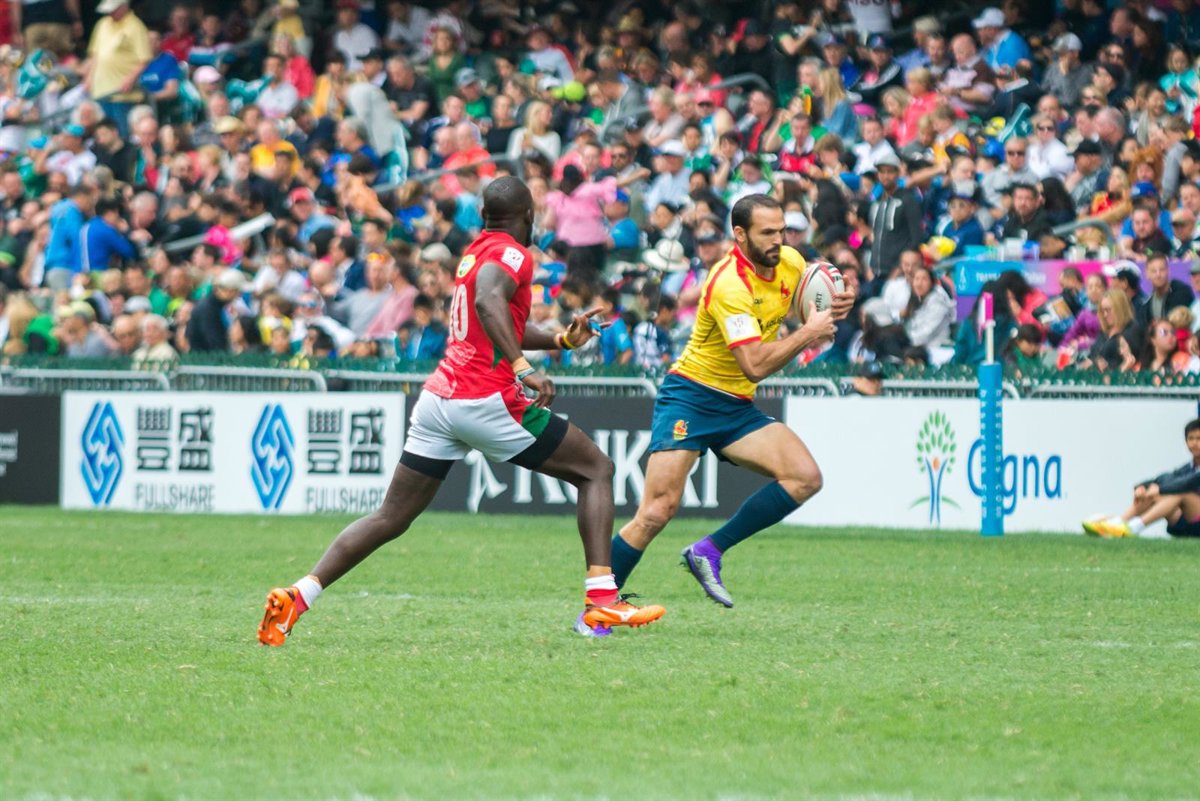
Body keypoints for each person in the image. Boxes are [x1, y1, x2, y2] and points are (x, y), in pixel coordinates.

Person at [256, 177, 666, 645]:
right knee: (596, 469)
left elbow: (496, 318)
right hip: (484, 398)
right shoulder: (514, 253)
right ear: (528, 215)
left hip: (439, 400)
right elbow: (490, 303)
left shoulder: (476, 252)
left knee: (391, 516)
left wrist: (558, 339)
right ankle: (600, 602)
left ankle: (298, 596)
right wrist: (522, 367)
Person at [609, 194, 855, 607]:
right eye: (767, 233)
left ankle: (708, 550)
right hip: (690, 396)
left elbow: (807, 306)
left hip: (735, 405)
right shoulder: (728, 284)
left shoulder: (791, 262)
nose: (779, 241)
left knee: (804, 477)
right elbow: (754, 365)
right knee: (656, 511)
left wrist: (834, 302)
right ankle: (597, 605)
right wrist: (810, 333)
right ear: (740, 234)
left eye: (782, 231)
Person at [1083, 419, 1200, 539]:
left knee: (1180, 493)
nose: (1194, 443)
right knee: (1154, 493)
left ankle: (1132, 528)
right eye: (1191, 438)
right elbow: (1164, 478)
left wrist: (1160, 489)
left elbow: (1188, 483)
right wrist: (1142, 487)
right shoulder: (1188, 467)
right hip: (1190, 521)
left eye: (1198, 438)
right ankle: (1117, 524)